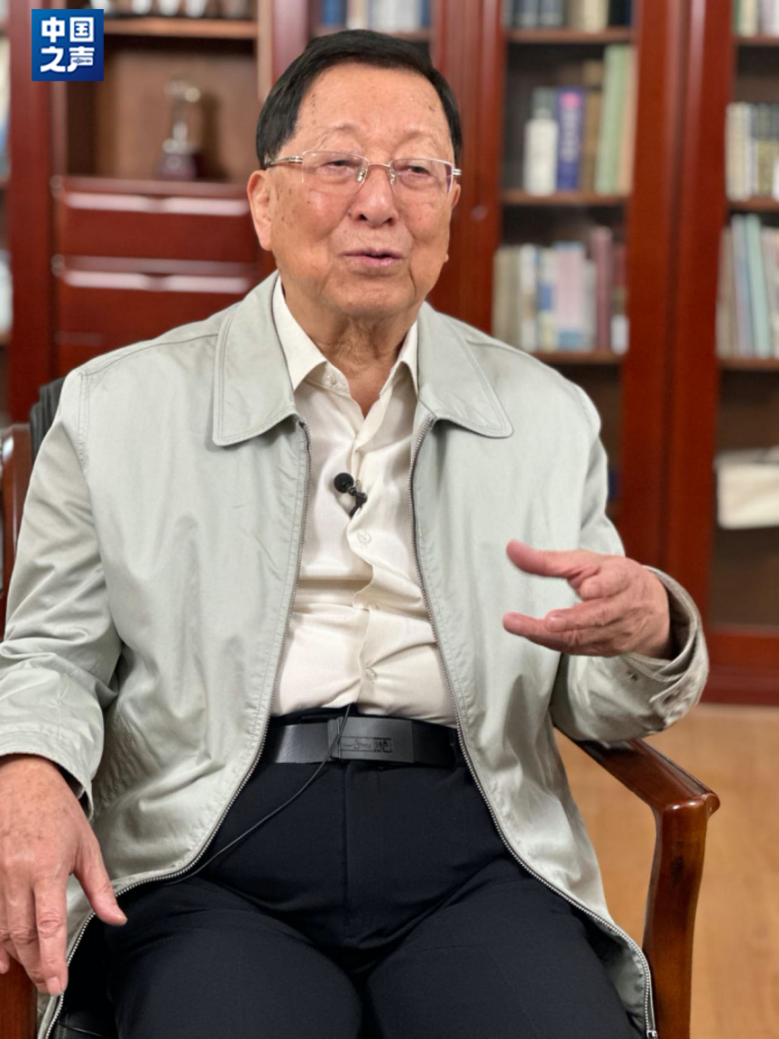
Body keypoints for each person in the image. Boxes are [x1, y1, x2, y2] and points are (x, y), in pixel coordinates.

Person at [0, 29, 707, 1039]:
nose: (379, 202)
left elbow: (590, 695)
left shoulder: (544, 416)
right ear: (263, 201)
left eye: (417, 170)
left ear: (450, 209)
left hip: (473, 845)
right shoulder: (116, 409)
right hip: (209, 845)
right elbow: (48, 654)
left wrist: (650, 630)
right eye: (338, 162)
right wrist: (27, 769)